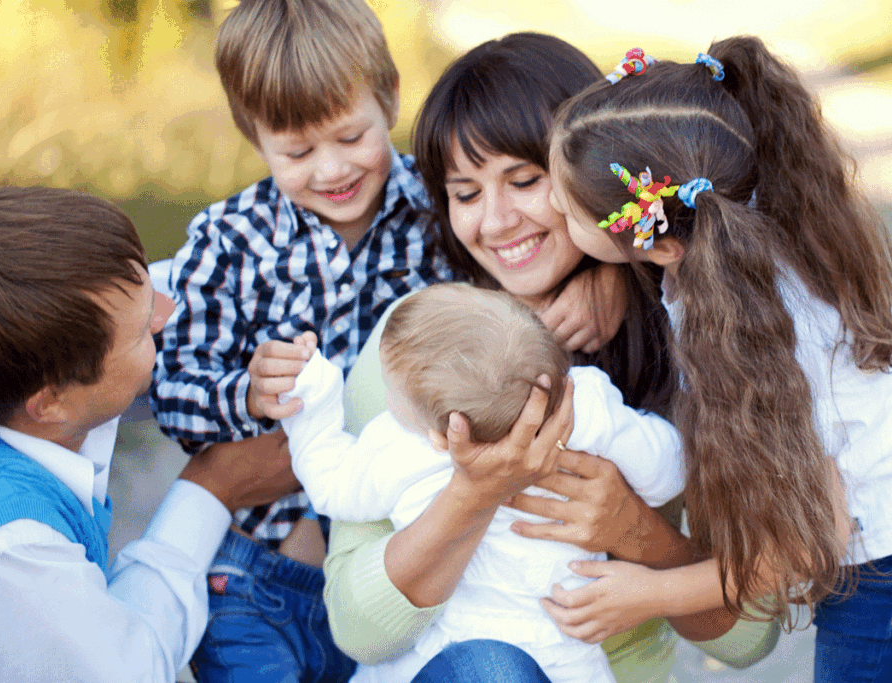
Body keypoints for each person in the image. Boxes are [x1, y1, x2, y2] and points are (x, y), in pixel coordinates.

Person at [150, 4, 616, 682]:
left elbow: (514, 290)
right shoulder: (229, 241)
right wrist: (244, 391)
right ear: (254, 137)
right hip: (261, 578)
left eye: (350, 136)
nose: (332, 168)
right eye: (298, 152)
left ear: (389, 97)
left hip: (411, 563)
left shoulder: (439, 208)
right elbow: (173, 387)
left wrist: (607, 282)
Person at [322, 32, 781, 683]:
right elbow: (356, 628)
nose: (498, 220)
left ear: (587, 171)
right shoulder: (414, 345)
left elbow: (749, 637)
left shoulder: (691, 338)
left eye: (524, 179)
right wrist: (474, 492)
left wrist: (634, 527)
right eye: (466, 192)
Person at [547, 36, 892, 682]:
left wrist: (646, 593)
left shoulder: (769, 334)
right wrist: (600, 277)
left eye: (566, 209)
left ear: (655, 245)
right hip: (875, 515)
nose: (549, 210)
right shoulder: (726, 226)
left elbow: (797, 546)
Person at [0, 187, 295, 682]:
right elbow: (128, 670)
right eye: (146, 328)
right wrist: (212, 491)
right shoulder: (7, 556)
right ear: (50, 401)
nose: (169, 313)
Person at [274, 283, 683, 682]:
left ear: (441, 435)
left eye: (392, 394)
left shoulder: (402, 451)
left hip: (439, 649)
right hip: (567, 651)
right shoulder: (585, 407)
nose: (387, 401)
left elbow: (329, 484)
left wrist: (315, 395)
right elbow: (667, 474)